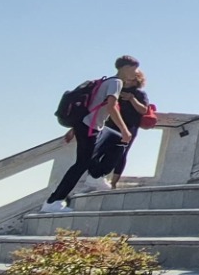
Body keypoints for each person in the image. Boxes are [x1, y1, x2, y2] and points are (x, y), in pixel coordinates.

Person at [46, 56, 140, 210]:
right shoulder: (116, 82)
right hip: (90, 127)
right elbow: (111, 107)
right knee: (82, 163)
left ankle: (96, 176)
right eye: (134, 69)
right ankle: (54, 201)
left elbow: (93, 106)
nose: (136, 73)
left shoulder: (106, 81)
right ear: (125, 67)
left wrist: (74, 129)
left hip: (88, 126)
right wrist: (124, 130)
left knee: (111, 144)